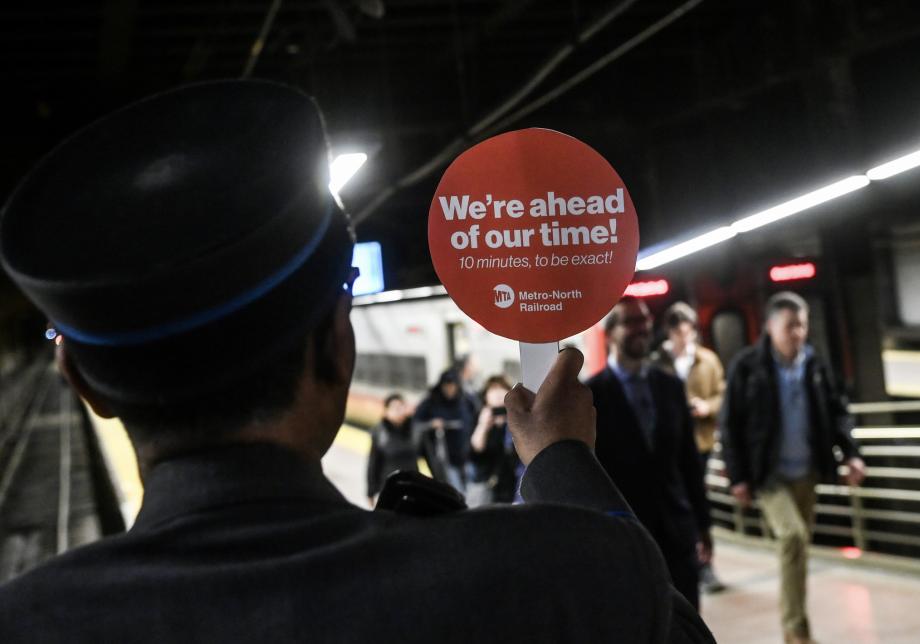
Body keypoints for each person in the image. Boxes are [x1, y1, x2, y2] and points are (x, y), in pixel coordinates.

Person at [0, 81, 715, 642]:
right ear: (338, 345)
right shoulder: (557, 575)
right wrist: (563, 461)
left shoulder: (29, 621)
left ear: (83, 381)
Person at [721, 291, 866, 644]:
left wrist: (851, 454)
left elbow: (838, 412)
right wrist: (738, 477)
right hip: (768, 473)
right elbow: (731, 423)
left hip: (807, 472)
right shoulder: (747, 367)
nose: (798, 332)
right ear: (770, 327)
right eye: (790, 325)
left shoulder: (816, 365)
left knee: (798, 551)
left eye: (802, 324)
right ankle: (796, 630)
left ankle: (795, 628)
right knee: (793, 536)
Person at [588, 296, 713, 610]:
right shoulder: (591, 396)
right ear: (611, 332)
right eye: (631, 321)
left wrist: (703, 524)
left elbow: (688, 462)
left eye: (644, 320)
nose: (642, 328)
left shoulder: (669, 387)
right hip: (624, 535)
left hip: (676, 530)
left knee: (687, 623)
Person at [652, 301, 727, 594]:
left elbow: (722, 394)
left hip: (700, 442)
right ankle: (682, 561)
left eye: (689, 331)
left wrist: (706, 406)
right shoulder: (658, 362)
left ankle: (706, 565)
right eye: (678, 332)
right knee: (676, 500)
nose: (685, 338)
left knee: (698, 499)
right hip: (669, 447)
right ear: (668, 333)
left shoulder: (708, 360)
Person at [412, 369, 476, 492]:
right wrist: (432, 424)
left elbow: (475, 417)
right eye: (446, 386)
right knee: (456, 490)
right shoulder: (431, 401)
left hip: (467, 455)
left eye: (453, 385)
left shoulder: (466, 400)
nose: (450, 389)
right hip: (444, 458)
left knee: (470, 490)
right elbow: (416, 422)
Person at [467, 375, 519, 506]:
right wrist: (483, 426)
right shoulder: (480, 417)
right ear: (485, 396)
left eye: (501, 389)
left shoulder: (517, 417)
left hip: (513, 485)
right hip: (487, 485)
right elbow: (474, 451)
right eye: (492, 390)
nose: (496, 394)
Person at [366, 393, 418, 507]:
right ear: (386, 411)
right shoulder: (379, 432)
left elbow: (431, 458)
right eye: (395, 408)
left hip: (413, 487)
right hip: (388, 489)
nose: (399, 411)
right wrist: (370, 492)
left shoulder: (415, 429)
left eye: (402, 407)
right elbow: (373, 464)